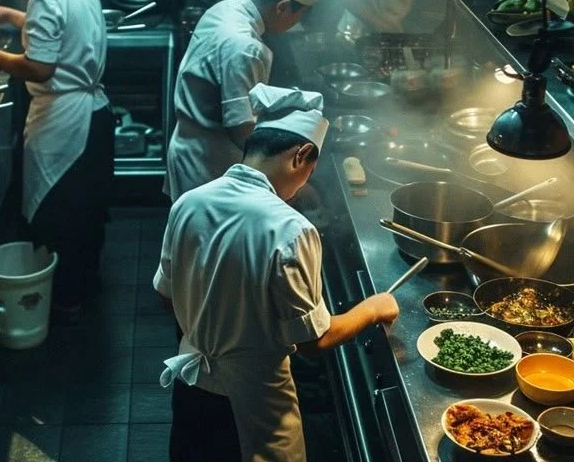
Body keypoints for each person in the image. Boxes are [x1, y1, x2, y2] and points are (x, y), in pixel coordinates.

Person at [154, 84, 400, 462]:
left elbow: (165, 295)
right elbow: (313, 340)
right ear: (300, 155)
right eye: (309, 173)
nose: (302, 187)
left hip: (191, 390)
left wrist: (213, 324)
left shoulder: (189, 202)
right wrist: (374, 307)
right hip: (253, 401)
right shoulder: (290, 229)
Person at [0, 0, 113, 319]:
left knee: (61, 213)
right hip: (95, 113)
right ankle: (86, 286)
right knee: (86, 209)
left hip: (64, 120)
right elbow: (61, 30)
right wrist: (12, 17)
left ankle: (67, 301)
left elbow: (40, 66)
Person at [164, 0, 332, 202]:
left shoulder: (224, 9)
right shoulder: (245, 46)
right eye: (298, 16)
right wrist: (291, 180)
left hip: (191, 147)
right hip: (212, 166)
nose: (295, 25)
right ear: (282, 7)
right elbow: (241, 130)